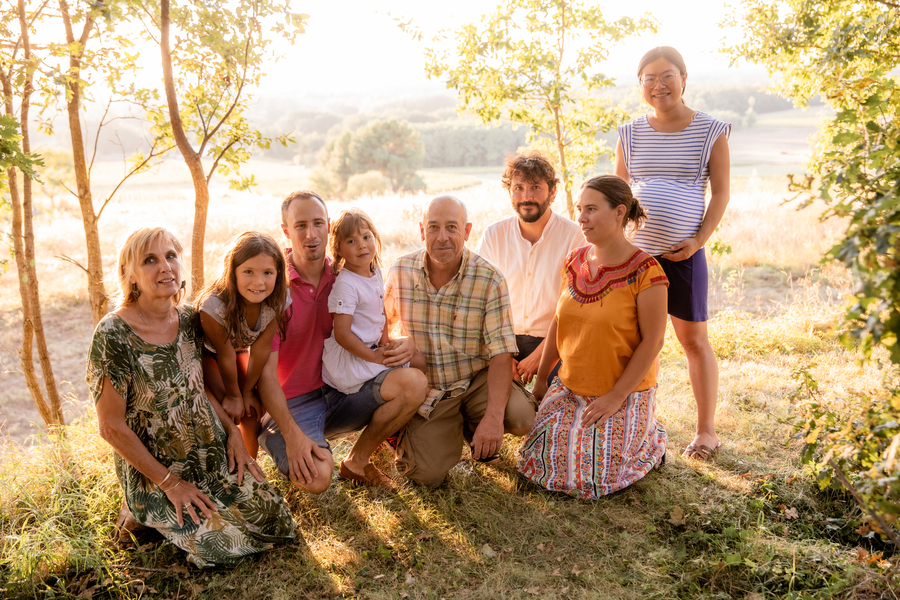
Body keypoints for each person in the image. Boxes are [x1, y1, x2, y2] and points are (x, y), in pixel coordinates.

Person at [87, 227, 296, 568]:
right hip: (162, 470)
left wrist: (232, 433)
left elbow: (197, 385)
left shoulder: (188, 319)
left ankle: (195, 507)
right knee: (224, 548)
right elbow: (110, 427)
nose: (165, 267)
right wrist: (171, 484)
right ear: (130, 274)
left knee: (278, 522)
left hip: (209, 452)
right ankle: (140, 510)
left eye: (171, 256)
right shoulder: (113, 334)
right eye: (150, 260)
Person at [256, 190, 427, 492]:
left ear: (328, 226)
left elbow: (376, 315)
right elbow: (263, 373)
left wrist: (406, 344)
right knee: (318, 479)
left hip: (342, 390)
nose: (311, 234)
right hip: (292, 403)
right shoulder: (271, 283)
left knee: (413, 382)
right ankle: (283, 437)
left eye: (318, 223)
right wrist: (293, 436)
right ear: (286, 231)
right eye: (300, 226)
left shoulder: (347, 272)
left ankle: (357, 461)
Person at [517, 175, 669, 499]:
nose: (581, 218)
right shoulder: (574, 260)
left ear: (619, 212)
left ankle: (652, 442)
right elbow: (559, 322)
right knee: (539, 466)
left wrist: (615, 397)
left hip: (622, 392)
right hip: (571, 386)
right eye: (579, 209)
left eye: (591, 209)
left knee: (592, 480)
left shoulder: (646, 270)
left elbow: (654, 342)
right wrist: (543, 380)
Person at [615, 46, 731, 461]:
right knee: (634, 340)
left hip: (683, 255)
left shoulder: (711, 131)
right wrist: (617, 245)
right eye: (648, 77)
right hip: (636, 258)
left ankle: (706, 432)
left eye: (666, 75)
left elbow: (720, 194)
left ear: (684, 78)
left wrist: (697, 241)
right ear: (640, 85)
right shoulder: (629, 133)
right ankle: (630, 423)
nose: (658, 84)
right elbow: (619, 194)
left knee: (693, 340)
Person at [384, 195, 538, 486]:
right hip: (430, 390)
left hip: (476, 379)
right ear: (421, 231)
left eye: (451, 227)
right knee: (424, 476)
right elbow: (380, 328)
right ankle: (435, 430)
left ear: (467, 231)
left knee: (522, 416)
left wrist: (493, 419)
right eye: (434, 227)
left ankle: (475, 424)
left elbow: (502, 354)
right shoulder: (400, 271)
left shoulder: (489, 279)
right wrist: (400, 344)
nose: (442, 237)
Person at [476, 151, 583, 386]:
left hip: (556, 341)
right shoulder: (494, 235)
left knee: (561, 403)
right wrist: (503, 356)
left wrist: (541, 357)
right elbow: (479, 300)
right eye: (518, 188)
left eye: (535, 187)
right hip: (503, 341)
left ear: (552, 192)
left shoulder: (575, 236)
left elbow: (575, 307)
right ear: (509, 191)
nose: (526, 197)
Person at [195, 231, 290, 459]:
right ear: (233, 272)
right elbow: (224, 355)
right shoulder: (214, 306)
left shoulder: (277, 299)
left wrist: (247, 392)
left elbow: (260, 349)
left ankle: (250, 467)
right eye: (248, 272)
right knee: (229, 412)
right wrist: (234, 396)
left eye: (267, 273)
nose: (258, 282)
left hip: (238, 352)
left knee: (250, 412)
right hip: (208, 355)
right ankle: (227, 461)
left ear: (278, 273)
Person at [322, 208, 427, 394]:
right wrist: (374, 356)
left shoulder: (375, 270)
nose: (361, 245)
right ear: (338, 248)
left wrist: (384, 343)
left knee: (420, 361)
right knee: (409, 372)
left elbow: (381, 310)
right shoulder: (346, 284)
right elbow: (342, 335)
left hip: (373, 346)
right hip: (354, 356)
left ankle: (408, 407)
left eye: (366, 237)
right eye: (351, 241)